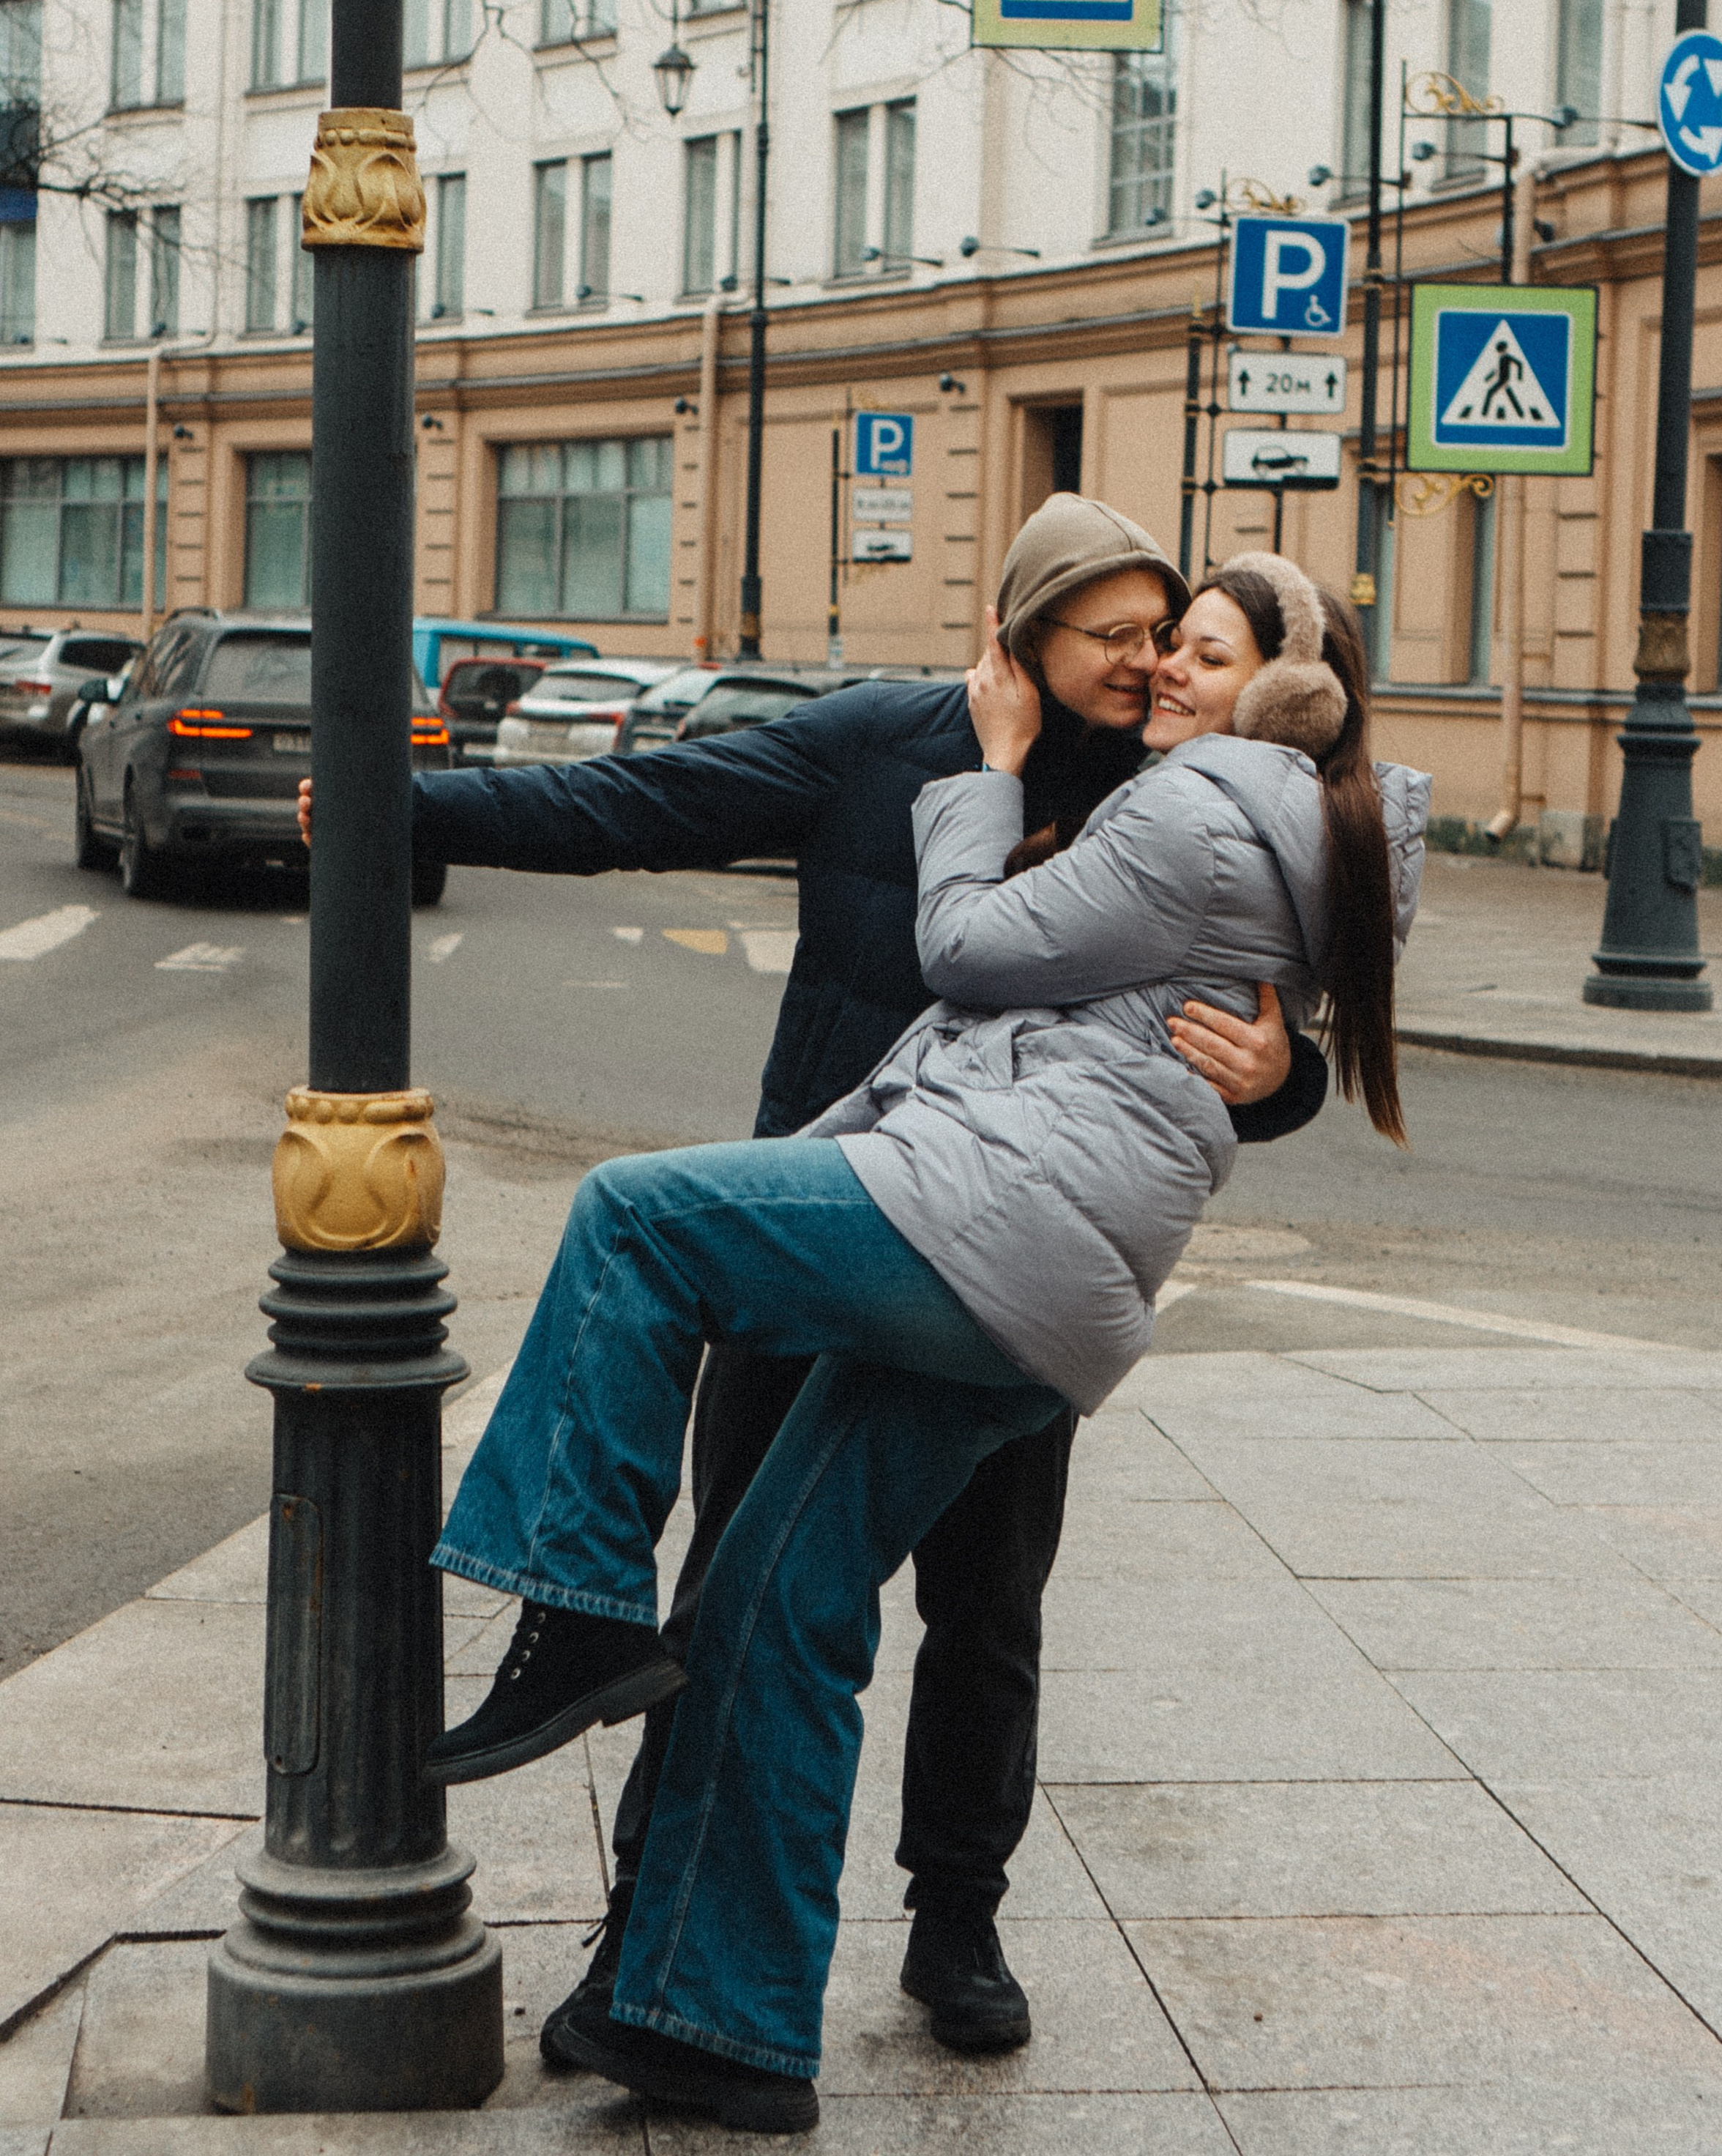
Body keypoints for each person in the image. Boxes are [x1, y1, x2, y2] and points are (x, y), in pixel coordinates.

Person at [304, 496, 1325, 2067]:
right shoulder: (878, 743)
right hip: (814, 1215)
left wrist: (1280, 1075)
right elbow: (635, 803)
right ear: (1022, 631)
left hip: (996, 1247)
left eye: (1161, 633)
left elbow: (1246, 1014)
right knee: (730, 1590)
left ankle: (957, 1916)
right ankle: (642, 1951)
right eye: (1113, 634)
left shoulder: (1166, 790)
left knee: (985, 1609)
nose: (1144, 662)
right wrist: (407, 810)